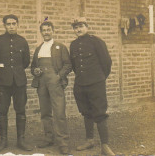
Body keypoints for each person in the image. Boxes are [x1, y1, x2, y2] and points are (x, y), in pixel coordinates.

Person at [69, 17, 115, 155]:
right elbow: (75, 66)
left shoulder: (97, 42)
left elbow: (106, 63)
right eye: (76, 27)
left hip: (96, 83)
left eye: (81, 26)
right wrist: (83, 79)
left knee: (100, 113)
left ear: (87, 27)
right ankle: (89, 140)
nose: (78, 29)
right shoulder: (73, 45)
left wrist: (99, 79)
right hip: (81, 84)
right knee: (86, 112)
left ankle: (105, 145)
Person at [0, 14, 32, 152]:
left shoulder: (22, 41)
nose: (11, 26)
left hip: (19, 82)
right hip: (2, 82)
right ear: (4, 26)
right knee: (2, 111)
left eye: (14, 23)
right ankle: (3, 140)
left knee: (20, 111)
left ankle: (21, 140)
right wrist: (3, 72)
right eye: (8, 24)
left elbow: (25, 62)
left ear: (18, 25)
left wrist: (15, 73)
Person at [31, 21, 72, 155]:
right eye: (44, 30)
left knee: (59, 112)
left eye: (49, 29)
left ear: (53, 31)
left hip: (55, 82)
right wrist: (35, 71)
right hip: (42, 82)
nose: (46, 32)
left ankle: (63, 142)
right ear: (41, 32)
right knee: (45, 111)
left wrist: (58, 77)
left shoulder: (60, 46)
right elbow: (33, 67)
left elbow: (68, 65)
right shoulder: (39, 48)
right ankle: (49, 138)